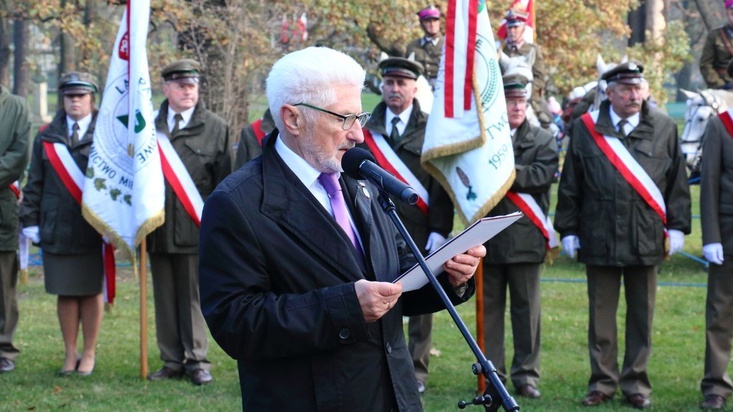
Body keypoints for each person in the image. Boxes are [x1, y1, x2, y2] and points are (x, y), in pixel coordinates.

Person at [198, 46, 485, 411]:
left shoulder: (360, 179)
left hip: (393, 396)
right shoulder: (238, 202)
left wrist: (449, 275)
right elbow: (235, 323)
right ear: (293, 119)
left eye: (360, 117)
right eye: (344, 119)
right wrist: (344, 307)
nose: (359, 136)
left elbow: (395, 280)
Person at [554, 61, 691, 409]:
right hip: (598, 233)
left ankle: (636, 384)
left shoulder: (663, 126)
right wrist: (567, 229)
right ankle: (601, 382)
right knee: (600, 317)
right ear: (609, 93)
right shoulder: (585, 129)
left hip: (645, 236)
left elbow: (676, 181)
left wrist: (677, 226)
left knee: (641, 316)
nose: (634, 95)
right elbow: (571, 183)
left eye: (638, 88)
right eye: (626, 89)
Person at [359, 56, 454, 394]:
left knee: (420, 303)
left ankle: (416, 369)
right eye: (389, 83)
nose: (395, 89)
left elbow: (440, 185)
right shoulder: (365, 129)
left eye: (402, 83)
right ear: (382, 87)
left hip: (418, 226)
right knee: (377, 297)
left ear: (415, 88)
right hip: (374, 225)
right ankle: (379, 365)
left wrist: (439, 229)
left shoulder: (432, 130)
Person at [147, 59, 232, 385]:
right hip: (157, 228)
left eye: (192, 85)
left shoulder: (214, 126)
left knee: (193, 296)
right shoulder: (149, 127)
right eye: (180, 85)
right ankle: (171, 359)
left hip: (196, 228)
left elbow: (224, 182)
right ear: (166, 88)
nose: (187, 91)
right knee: (165, 297)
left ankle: (197, 359)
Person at [481, 63, 558, 400]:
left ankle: (526, 375)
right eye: (509, 101)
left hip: (526, 236)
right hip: (487, 238)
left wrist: (502, 169)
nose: (515, 107)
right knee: (490, 311)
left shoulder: (542, 139)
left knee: (527, 313)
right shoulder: (483, 138)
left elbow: (541, 175)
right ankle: (492, 373)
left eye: (520, 102)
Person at [19, 72, 103, 376]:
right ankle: (70, 354)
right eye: (70, 96)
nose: (75, 101)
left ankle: (89, 353)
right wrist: (29, 220)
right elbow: (35, 183)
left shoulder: (106, 133)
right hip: (56, 225)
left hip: (93, 228)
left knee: (91, 290)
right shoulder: (46, 135)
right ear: (62, 99)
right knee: (65, 291)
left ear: (92, 99)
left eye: (81, 95)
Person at [699, 50, 733, 410]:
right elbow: (710, 185)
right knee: (720, 312)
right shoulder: (721, 125)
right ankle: (716, 385)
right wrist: (711, 237)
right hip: (730, 231)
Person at [0, 84, 30, 374]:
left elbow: (19, 156)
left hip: (1, 207)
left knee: (2, 286)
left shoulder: (16, 107)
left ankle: (3, 348)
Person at [499, 8, 553, 130]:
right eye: (509, 28)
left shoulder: (532, 49)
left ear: (523, 28)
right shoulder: (500, 50)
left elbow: (540, 77)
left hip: (530, 93)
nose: (512, 31)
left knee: (546, 121)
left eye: (515, 27)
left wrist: (532, 95)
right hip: (505, 93)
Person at [699, 0, 733, 90]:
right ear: (727, 14)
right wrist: (720, 85)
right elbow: (706, 65)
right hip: (721, 86)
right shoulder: (714, 36)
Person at [406, 5, 443, 89]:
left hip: (442, 89)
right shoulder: (413, 46)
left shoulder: (448, 44)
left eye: (435, 20)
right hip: (420, 88)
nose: (432, 24)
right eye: (428, 21)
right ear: (421, 24)